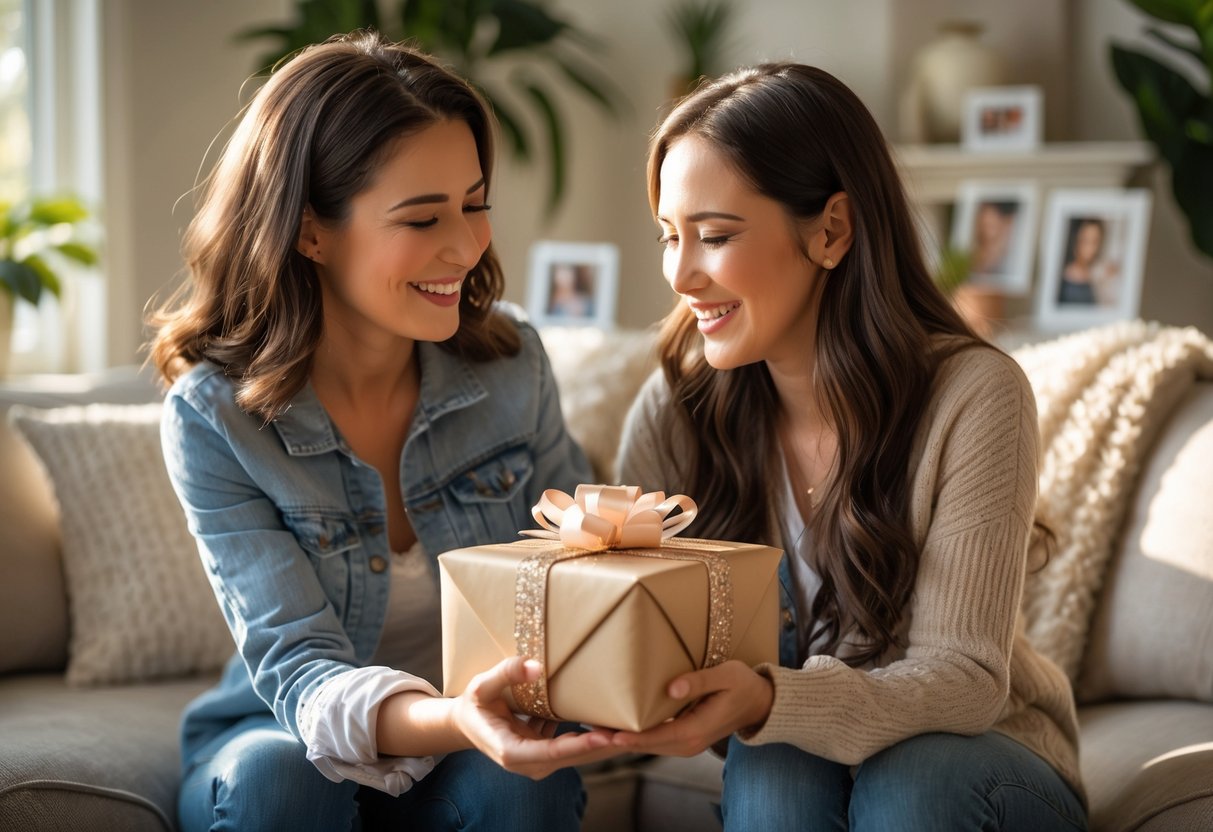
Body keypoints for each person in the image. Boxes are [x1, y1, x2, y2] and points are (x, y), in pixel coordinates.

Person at [147, 31, 618, 832]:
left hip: (476, 745)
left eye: (475, 204)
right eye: (422, 216)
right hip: (293, 734)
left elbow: (574, 582)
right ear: (310, 231)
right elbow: (299, 671)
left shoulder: (511, 365)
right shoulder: (214, 418)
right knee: (274, 782)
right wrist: (455, 715)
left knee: (517, 785)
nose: (466, 246)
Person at [614, 62, 1087, 830]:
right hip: (790, 752)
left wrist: (773, 697)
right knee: (773, 764)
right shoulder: (676, 406)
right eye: (671, 237)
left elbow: (964, 680)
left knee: (910, 777)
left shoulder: (973, 396)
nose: (682, 273)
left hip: (982, 762)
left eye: (715, 235)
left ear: (830, 230)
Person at [1058, 217, 1116, 306]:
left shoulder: (1096, 273)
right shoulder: (1064, 276)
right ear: (1075, 239)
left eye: (1095, 241)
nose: (1090, 249)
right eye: (1085, 240)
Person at [969, 199, 1018, 278]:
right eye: (984, 225)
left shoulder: (1006, 249)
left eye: (991, 225)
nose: (986, 231)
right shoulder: (977, 251)